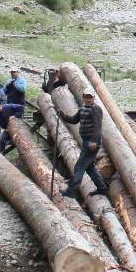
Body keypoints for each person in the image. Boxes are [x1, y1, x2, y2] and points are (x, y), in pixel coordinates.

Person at [44, 71, 108, 201]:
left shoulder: (96, 109)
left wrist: (94, 142)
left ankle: (72, 191)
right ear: (84, 97)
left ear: (93, 98)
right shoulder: (83, 108)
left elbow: (97, 127)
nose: (88, 99)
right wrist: (63, 116)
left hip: (92, 143)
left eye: (90, 97)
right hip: (87, 142)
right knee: (89, 167)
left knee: (79, 166)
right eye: (86, 97)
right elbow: (74, 120)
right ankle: (102, 188)